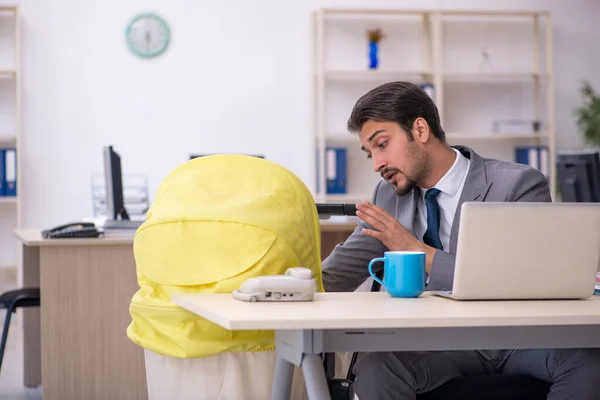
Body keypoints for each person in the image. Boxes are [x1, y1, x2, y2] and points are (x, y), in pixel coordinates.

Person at [321, 81, 600, 399]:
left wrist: (416, 250)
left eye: (382, 144)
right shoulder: (388, 194)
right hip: (440, 345)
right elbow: (338, 272)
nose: (376, 164)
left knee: (589, 364)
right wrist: (278, 284)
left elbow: (517, 280)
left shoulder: (517, 184)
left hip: (517, 339)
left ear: (421, 130)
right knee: (376, 367)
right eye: (369, 153)